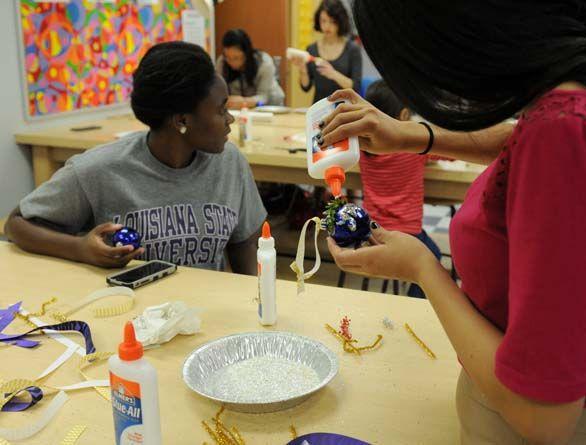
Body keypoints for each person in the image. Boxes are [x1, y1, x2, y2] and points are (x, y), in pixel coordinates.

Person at [319, 1, 586, 444]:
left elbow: (542, 415)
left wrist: (423, 268)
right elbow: (524, 136)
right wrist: (412, 136)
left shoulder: (566, 138)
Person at [4, 41, 266, 275]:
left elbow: (245, 244)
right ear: (182, 120)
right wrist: (80, 248)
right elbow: (16, 225)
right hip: (131, 316)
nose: (230, 119)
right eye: (221, 110)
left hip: (208, 315)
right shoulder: (99, 169)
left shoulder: (230, 163)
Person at [360, 79, 441, 298]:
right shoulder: (413, 147)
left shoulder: (362, 147)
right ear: (404, 116)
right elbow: (447, 152)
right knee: (435, 261)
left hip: (372, 234)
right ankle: (416, 305)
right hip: (408, 235)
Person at [289, 0, 362, 103]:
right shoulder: (312, 49)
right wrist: (302, 69)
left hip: (345, 109)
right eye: (323, 21)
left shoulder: (352, 49)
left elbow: (355, 87)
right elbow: (306, 87)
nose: (327, 26)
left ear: (340, 22)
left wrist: (333, 74)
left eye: (332, 22)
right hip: (319, 109)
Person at [216, 29, 285, 108]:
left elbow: (264, 97)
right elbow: (219, 93)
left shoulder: (264, 63)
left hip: (269, 105)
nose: (231, 62)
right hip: (240, 109)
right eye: (227, 57)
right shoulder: (222, 62)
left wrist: (245, 102)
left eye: (236, 58)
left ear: (247, 53)